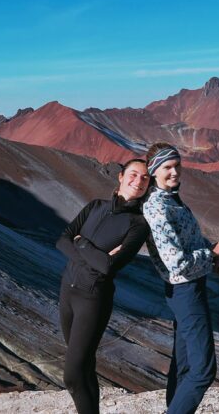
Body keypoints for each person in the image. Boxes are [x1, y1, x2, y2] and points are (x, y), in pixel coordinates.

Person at [142, 143, 219, 414]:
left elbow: (188, 242)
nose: (174, 172)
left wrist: (213, 261)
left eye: (177, 166)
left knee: (183, 364)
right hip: (185, 291)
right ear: (154, 171)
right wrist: (213, 252)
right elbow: (177, 262)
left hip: (189, 288)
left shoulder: (171, 199)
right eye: (167, 168)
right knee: (203, 370)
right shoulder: (158, 209)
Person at [56, 159, 151, 414]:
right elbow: (62, 240)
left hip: (93, 299)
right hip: (68, 291)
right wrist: (92, 258)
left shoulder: (139, 225)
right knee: (85, 366)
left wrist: (83, 244)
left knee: (73, 375)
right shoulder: (94, 206)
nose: (138, 181)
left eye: (145, 178)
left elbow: (110, 267)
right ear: (121, 177)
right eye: (134, 174)